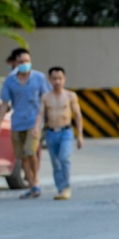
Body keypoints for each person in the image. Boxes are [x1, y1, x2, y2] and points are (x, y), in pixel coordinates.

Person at [0, 48, 51, 199]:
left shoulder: (39, 78)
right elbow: (4, 104)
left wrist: (42, 122)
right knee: (22, 156)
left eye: (27, 61)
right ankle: (31, 186)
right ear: (15, 63)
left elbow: (46, 99)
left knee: (31, 152)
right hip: (17, 122)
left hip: (34, 122)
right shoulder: (10, 81)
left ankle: (35, 181)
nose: (25, 64)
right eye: (21, 62)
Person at [33, 67, 84, 200]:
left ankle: (66, 187)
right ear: (50, 80)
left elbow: (78, 115)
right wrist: (36, 128)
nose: (57, 81)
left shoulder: (70, 96)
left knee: (64, 158)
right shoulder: (46, 97)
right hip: (51, 132)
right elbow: (40, 114)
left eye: (60, 78)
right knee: (55, 162)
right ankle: (60, 188)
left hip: (66, 132)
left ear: (64, 79)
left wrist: (80, 135)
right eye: (54, 78)